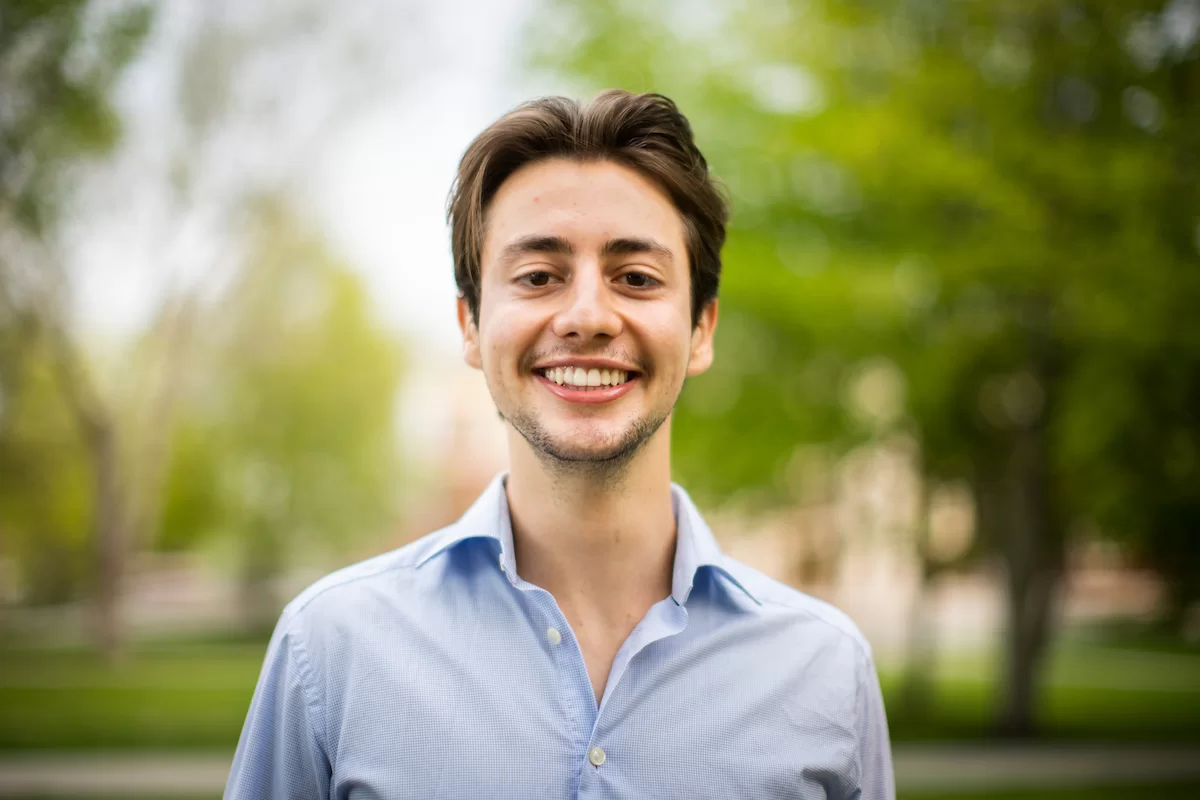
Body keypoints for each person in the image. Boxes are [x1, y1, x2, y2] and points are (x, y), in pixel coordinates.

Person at [225, 90, 894, 800]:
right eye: (539, 276)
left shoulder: (826, 670)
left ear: (701, 329)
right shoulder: (328, 652)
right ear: (471, 328)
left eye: (636, 278)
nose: (587, 316)